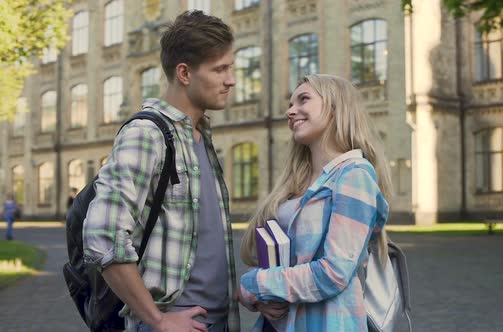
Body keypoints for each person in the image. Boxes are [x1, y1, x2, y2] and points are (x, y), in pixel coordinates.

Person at [83, 11, 239, 332]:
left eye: (231, 68)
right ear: (184, 73)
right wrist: (157, 319)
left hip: (216, 321)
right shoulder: (148, 134)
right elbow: (103, 234)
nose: (231, 79)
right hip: (171, 323)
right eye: (220, 69)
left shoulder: (201, 136)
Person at [238, 74, 394, 331]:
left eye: (303, 99)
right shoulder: (295, 181)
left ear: (335, 108)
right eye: (290, 104)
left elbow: (334, 273)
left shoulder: (354, 175)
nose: (291, 111)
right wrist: (265, 299)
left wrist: (255, 285)